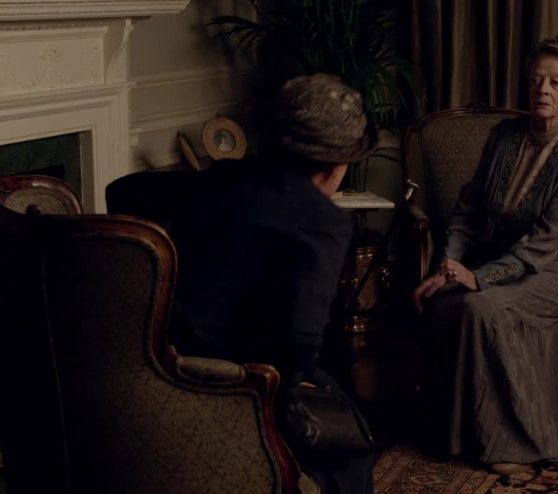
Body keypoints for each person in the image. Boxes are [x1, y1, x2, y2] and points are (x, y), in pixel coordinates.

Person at [107, 73, 377, 494]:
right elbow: (298, 346)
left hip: (157, 366)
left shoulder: (219, 178)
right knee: (351, 447)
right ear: (334, 166)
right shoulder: (322, 223)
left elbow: (123, 189)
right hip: (241, 388)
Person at [412, 34, 558, 474]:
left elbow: (550, 237)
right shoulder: (503, 135)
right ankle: (458, 435)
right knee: (444, 301)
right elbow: (467, 210)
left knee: (481, 307)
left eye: (555, 82)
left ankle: (511, 440)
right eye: (535, 80)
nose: (542, 90)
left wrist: (479, 278)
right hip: (502, 263)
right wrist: (448, 267)